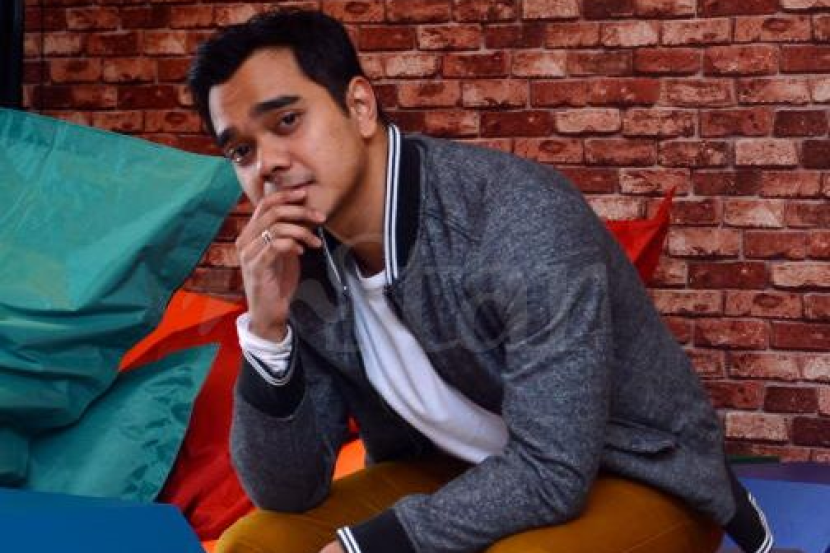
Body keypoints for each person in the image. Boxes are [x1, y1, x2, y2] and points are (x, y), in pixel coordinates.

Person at [188, 9, 771, 553]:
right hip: (453, 469)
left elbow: (553, 471)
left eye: (287, 121)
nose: (267, 163)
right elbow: (288, 492)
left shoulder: (516, 217)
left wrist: (369, 545)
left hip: (626, 470)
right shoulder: (304, 261)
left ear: (360, 106)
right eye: (241, 150)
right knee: (253, 545)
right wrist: (267, 329)